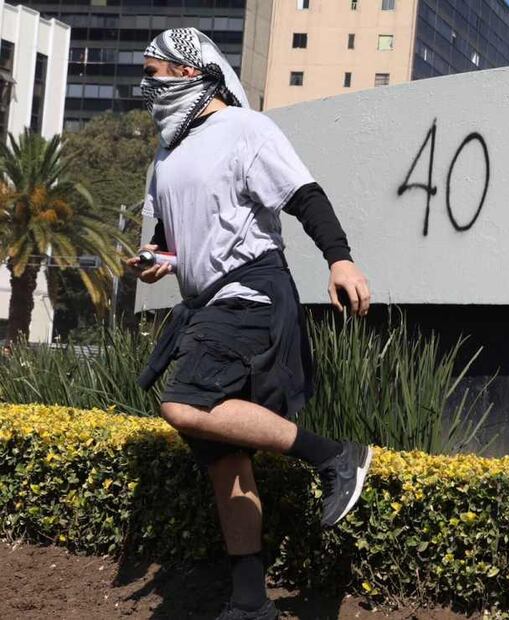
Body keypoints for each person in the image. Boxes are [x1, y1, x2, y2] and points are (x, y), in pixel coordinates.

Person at [129, 28, 373, 620]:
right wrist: (156, 263)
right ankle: (249, 604)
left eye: (156, 70)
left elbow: (304, 195)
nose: (147, 83)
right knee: (225, 462)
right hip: (206, 307)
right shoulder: (165, 157)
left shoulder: (246, 129)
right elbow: (171, 244)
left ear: (191, 72)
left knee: (184, 402)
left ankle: (336, 455)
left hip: (251, 296)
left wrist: (339, 258)